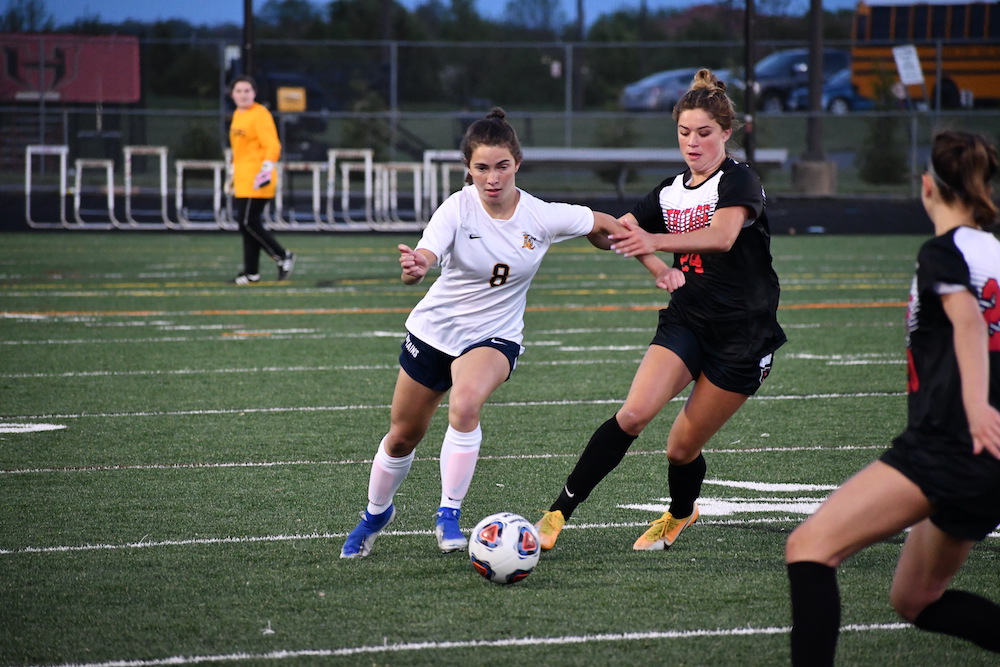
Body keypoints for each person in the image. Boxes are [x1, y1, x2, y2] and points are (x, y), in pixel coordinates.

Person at [340, 107, 667, 559]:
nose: (492, 178)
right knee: (402, 436)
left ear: (518, 163)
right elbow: (426, 254)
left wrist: (655, 265)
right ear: (467, 169)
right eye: (481, 168)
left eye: (501, 166)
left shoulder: (541, 215)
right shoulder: (456, 207)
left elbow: (605, 224)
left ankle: (448, 514)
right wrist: (417, 266)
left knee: (466, 401)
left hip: (495, 336)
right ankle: (376, 513)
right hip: (435, 331)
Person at [534, 68, 786, 552]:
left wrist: (650, 240)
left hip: (743, 338)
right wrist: (588, 224)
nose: (693, 143)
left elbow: (722, 237)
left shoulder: (739, 181)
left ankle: (680, 512)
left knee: (680, 448)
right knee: (632, 414)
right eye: (684, 132)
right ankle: (556, 513)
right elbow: (614, 236)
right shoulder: (669, 191)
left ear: (726, 133)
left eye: (704, 133)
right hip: (687, 322)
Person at [785, 130, 1000, 665]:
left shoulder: (942, 253)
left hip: (950, 443)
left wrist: (976, 409)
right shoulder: (996, 252)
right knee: (915, 598)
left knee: (808, 548)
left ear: (927, 186)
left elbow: (970, 324)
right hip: (987, 458)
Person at [227, 75, 295, 285]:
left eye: (247, 91)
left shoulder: (260, 113)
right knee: (248, 225)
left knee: (247, 222)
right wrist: (232, 173)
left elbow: (272, 144)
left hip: (258, 178)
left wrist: (266, 168)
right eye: (239, 91)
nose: (243, 95)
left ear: (254, 93)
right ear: (232, 94)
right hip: (242, 178)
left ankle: (283, 256)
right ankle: (251, 273)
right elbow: (241, 151)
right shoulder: (238, 114)